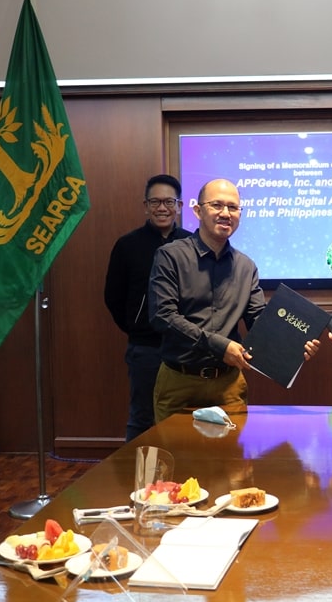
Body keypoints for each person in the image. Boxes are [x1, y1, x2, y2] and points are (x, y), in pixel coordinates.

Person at [148, 178, 319, 422]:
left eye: (233, 207)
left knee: (233, 460)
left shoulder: (246, 266)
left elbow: (258, 319)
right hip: (179, 382)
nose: (226, 213)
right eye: (217, 205)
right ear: (198, 210)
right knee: (179, 459)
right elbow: (163, 316)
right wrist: (219, 345)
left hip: (229, 385)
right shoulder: (170, 256)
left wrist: (294, 344)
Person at [104, 174, 192, 441]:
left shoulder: (192, 244)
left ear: (179, 206)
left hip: (186, 349)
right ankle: (140, 481)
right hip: (145, 350)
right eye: (155, 201)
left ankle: (182, 480)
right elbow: (113, 297)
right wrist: (137, 327)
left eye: (168, 201)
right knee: (142, 418)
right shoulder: (128, 245)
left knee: (185, 419)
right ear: (145, 206)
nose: (162, 208)